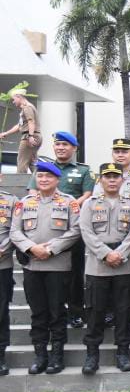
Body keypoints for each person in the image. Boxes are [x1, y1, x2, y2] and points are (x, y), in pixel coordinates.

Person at [10, 161, 80, 375]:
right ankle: (40, 355)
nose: (43, 179)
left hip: (58, 265)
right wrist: (32, 248)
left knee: (57, 312)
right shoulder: (24, 203)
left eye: (48, 176)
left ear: (57, 179)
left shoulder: (69, 202)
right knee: (38, 313)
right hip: (32, 265)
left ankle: (57, 356)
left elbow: (76, 230)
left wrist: (50, 249)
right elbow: (15, 231)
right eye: (40, 176)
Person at [78, 163, 130, 374]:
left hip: (123, 264)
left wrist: (119, 254)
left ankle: (123, 353)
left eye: (116, 176)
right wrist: (106, 254)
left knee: (123, 311)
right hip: (98, 265)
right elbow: (86, 231)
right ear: (101, 180)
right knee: (95, 311)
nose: (112, 180)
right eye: (108, 176)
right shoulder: (89, 204)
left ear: (122, 180)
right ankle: (92, 354)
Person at [27, 132, 94, 329]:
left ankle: (75, 312)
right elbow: (32, 192)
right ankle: (51, 312)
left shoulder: (83, 170)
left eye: (65, 144)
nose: (61, 148)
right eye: (58, 144)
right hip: (44, 225)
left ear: (74, 148)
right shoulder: (43, 169)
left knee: (75, 272)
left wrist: (67, 206)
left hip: (72, 226)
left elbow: (88, 195)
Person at [93, 138, 130, 328]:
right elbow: (97, 201)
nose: (120, 155)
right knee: (108, 273)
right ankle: (110, 311)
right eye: (117, 151)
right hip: (109, 232)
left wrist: (129, 225)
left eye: (124, 151)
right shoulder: (103, 177)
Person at [0, 86, 41, 173]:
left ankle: (20, 181)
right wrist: (6, 133)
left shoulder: (27, 107)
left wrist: (30, 136)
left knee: (22, 163)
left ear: (19, 97)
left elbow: (31, 121)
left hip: (29, 137)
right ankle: (40, 179)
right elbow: (19, 126)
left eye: (14, 99)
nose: (13, 102)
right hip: (34, 136)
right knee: (33, 164)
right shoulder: (26, 108)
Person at [0, 176, 14, 376]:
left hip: (2, 264)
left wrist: (3, 249)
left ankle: (0, 355)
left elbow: (16, 230)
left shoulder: (11, 201)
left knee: (1, 312)